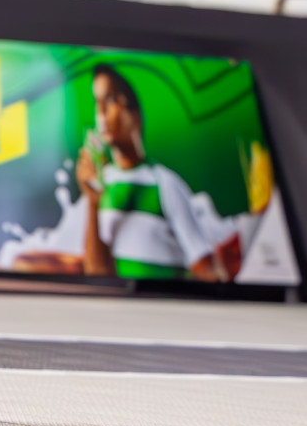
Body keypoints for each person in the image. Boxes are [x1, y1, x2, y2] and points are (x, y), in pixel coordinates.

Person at [75, 64, 231, 281]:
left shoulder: (164, 183)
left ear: (135, 113)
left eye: (110, 100)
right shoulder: (100, 185)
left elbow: (206, 269)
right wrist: (92, 202)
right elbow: (97, 276)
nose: (101, 114)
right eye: (97, 103)